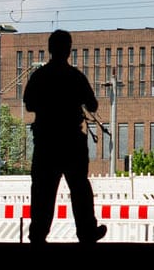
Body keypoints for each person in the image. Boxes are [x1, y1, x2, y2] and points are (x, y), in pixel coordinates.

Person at [22, 29, 107, 244]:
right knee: (79, 188)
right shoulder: (75, 76)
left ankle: (38, 234)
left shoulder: (39, 76)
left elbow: (29, 103)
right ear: (69, 50)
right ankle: (87, 231)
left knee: (43, 190)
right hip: (71, 141)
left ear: (49, 49)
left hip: (46, 141)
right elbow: (93, 104)